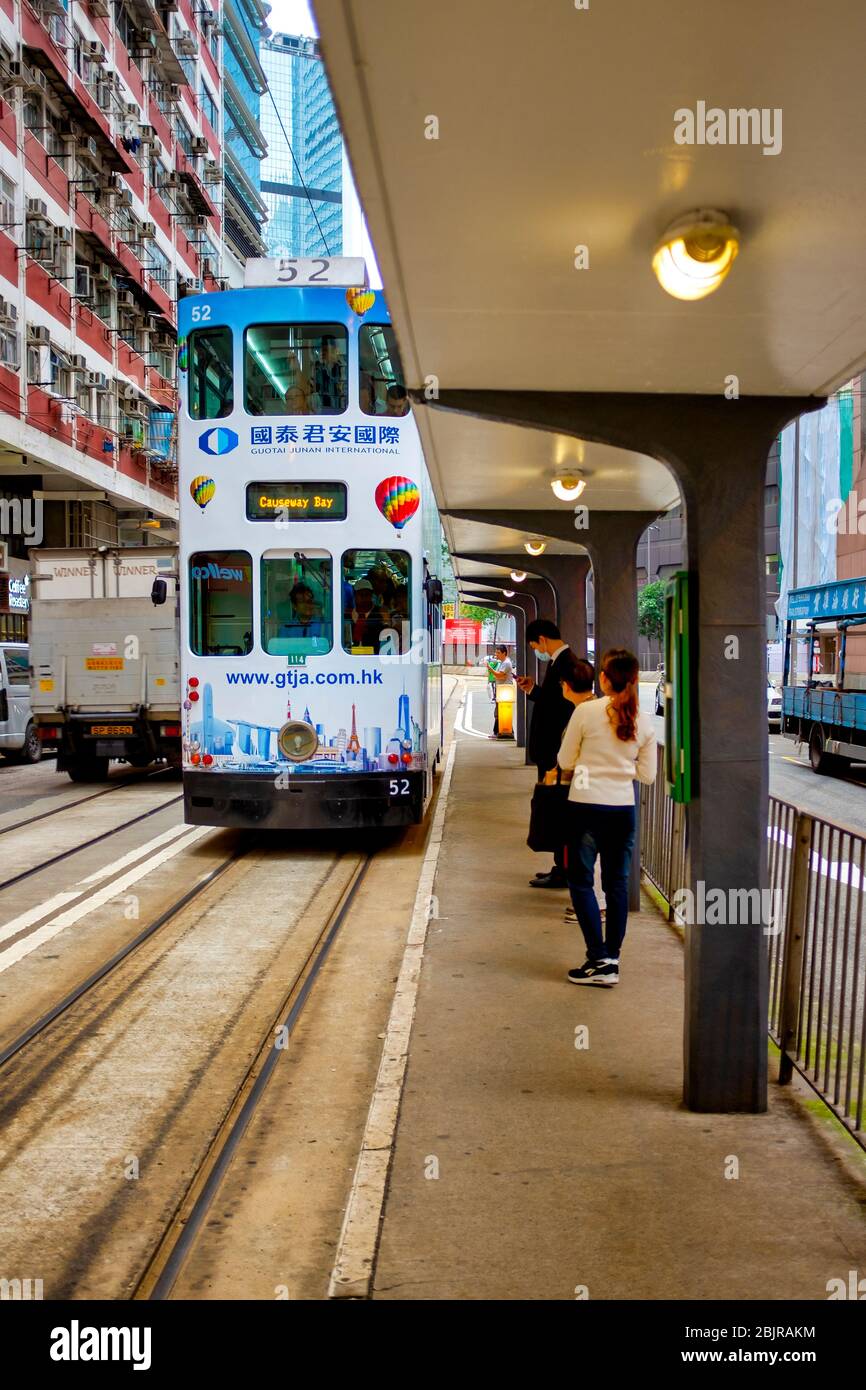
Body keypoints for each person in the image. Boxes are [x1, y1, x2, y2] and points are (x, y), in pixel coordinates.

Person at [557, 648, 657, 987]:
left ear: (603, 678)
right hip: (621, 811)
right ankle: (611, 959)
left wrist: (593, 763)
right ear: (634, 680)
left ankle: (597, 957)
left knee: (582, 882)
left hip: (584, 807)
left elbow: (566, 760)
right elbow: (647, 776)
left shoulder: (586, 712)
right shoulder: (643, 722)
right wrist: (620, 766)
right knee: (616, 884)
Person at [516, 618, 575, 888]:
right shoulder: (557, 662)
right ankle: (559, 866)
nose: (536, 652)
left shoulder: (565, 663)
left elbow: (562, 709)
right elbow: (554, 702)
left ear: (542, 639)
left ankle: (563, 870)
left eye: (534, 646)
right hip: (551, 752)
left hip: (556, 753)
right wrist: (534, 690)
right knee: (554, 810)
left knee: (559, 811)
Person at [487, 643, 514, 737]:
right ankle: (503, 731)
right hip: (502, 690)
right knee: (500, 712)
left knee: (500, 712)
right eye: (496, 652)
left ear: (504, 653)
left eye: (498, 652)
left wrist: (490, 669)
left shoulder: (506, 663)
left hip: (505, 691)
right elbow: (499, 675)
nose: (496, 654)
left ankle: (501, 732)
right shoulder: (502, 662)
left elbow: (499, 675)